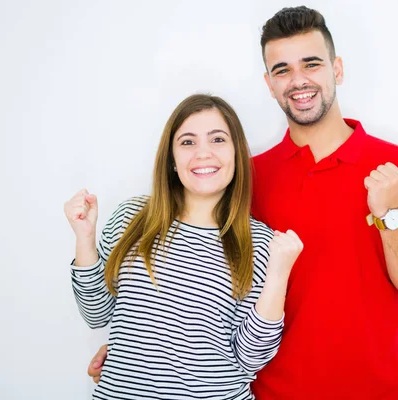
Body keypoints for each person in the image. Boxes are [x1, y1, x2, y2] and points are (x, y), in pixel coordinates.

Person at [88, 6, 398, 399]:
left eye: (312, 64)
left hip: (372, 390)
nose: (298, 81)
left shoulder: (394, 168)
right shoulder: (245, 180)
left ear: (337, 69)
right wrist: (135, 352)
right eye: (282, 70)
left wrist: (388, 213)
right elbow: (202, 284)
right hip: (270, 391)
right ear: (269, 84)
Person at [65, 94, 303, 399]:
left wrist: (279, 274)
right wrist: (84, 237)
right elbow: (97, 314)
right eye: (188, 142)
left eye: (217, 139)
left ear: (237, 153)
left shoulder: (260, 244)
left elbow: (250, 358)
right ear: (172, 160)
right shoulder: (130, 219)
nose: (202, 154)